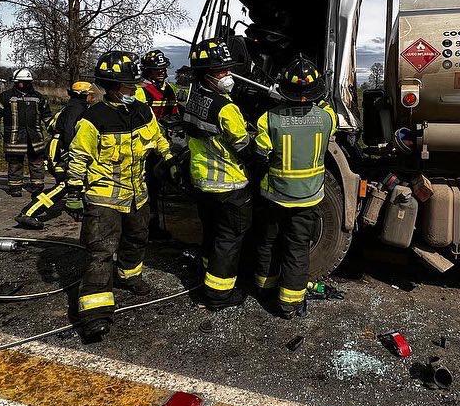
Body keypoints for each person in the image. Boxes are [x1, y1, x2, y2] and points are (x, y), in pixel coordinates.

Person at [65, 52, 172, 342]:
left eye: (134, 85)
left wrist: (169, 158)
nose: (133, 90)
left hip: (138, 194)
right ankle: (95, 313)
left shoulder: (142, 111)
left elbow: (157, 138)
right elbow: (79, 155)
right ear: (111, 87)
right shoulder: (93, 119)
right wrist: (74, 190)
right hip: (104, 197)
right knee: (100, 251)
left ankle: (129, 276)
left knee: (137, 239)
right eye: (127, 86)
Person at [250, 58, 336, 318]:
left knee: (268, 242)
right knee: (297, 248)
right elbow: (326, 109)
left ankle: (264, 288)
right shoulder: (327, 118)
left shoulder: (268, 119)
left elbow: (259, 154)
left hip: (275, 196)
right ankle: (289, 303)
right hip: (309, 197)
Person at [181, 38, 253, 310]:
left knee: (211, 233)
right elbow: (244, 147)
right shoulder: (226, 108)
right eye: (221, 70)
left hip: (202, 182)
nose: (227, 75)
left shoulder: (193, 99)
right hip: (228, 184)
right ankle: (218, 294)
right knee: (228, 239)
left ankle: (207, 276)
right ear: (206, 74)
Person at [15, 81, 94, 229]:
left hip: (58, 147)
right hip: (62, 150)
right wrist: (70, 153)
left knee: (79, 182)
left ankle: (80, 211)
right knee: (65, 184)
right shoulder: (77, 108)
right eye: (90, 94)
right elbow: (69, 132)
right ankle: (28, 213)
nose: (92, 97)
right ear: (83, 95)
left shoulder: (72, 106)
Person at [0, 68, 52, 197]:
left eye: (27, 82)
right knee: (15, 162)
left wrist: (53, 129)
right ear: (16, 82)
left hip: (35, 137)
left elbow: (47, 116)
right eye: (21, 82)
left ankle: (37, 186)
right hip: (14, 137)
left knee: (36, 162)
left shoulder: (38, 97)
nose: (24, 84)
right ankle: (15, 187)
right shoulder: (6, 97)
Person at [138, 50, 180, 239]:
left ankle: (154, 226)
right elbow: (140, 119)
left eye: (163, 69)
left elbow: (174, 113)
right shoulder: (141, 91)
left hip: (162, 144)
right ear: (148, 71)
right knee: (146, 186)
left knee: (156, 187)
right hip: (145, 145)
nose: (162, 72)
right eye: (157, 69)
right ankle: (146, 228)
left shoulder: (169, 89)